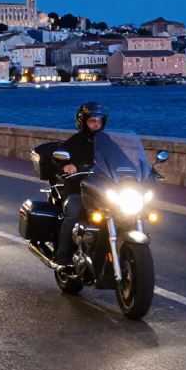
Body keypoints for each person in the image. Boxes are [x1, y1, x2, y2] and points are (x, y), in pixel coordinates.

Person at [53, 101, 107, 268]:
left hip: (101, 190)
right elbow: (59, 157)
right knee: (75, 213)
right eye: (92, 121)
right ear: (83, 122)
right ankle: (62, 258)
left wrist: (135, 169)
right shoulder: (74, 142)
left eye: (99, 121)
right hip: (77, 188)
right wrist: (66, 165)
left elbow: (122, 159)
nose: (96, 125)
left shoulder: (107, 142)